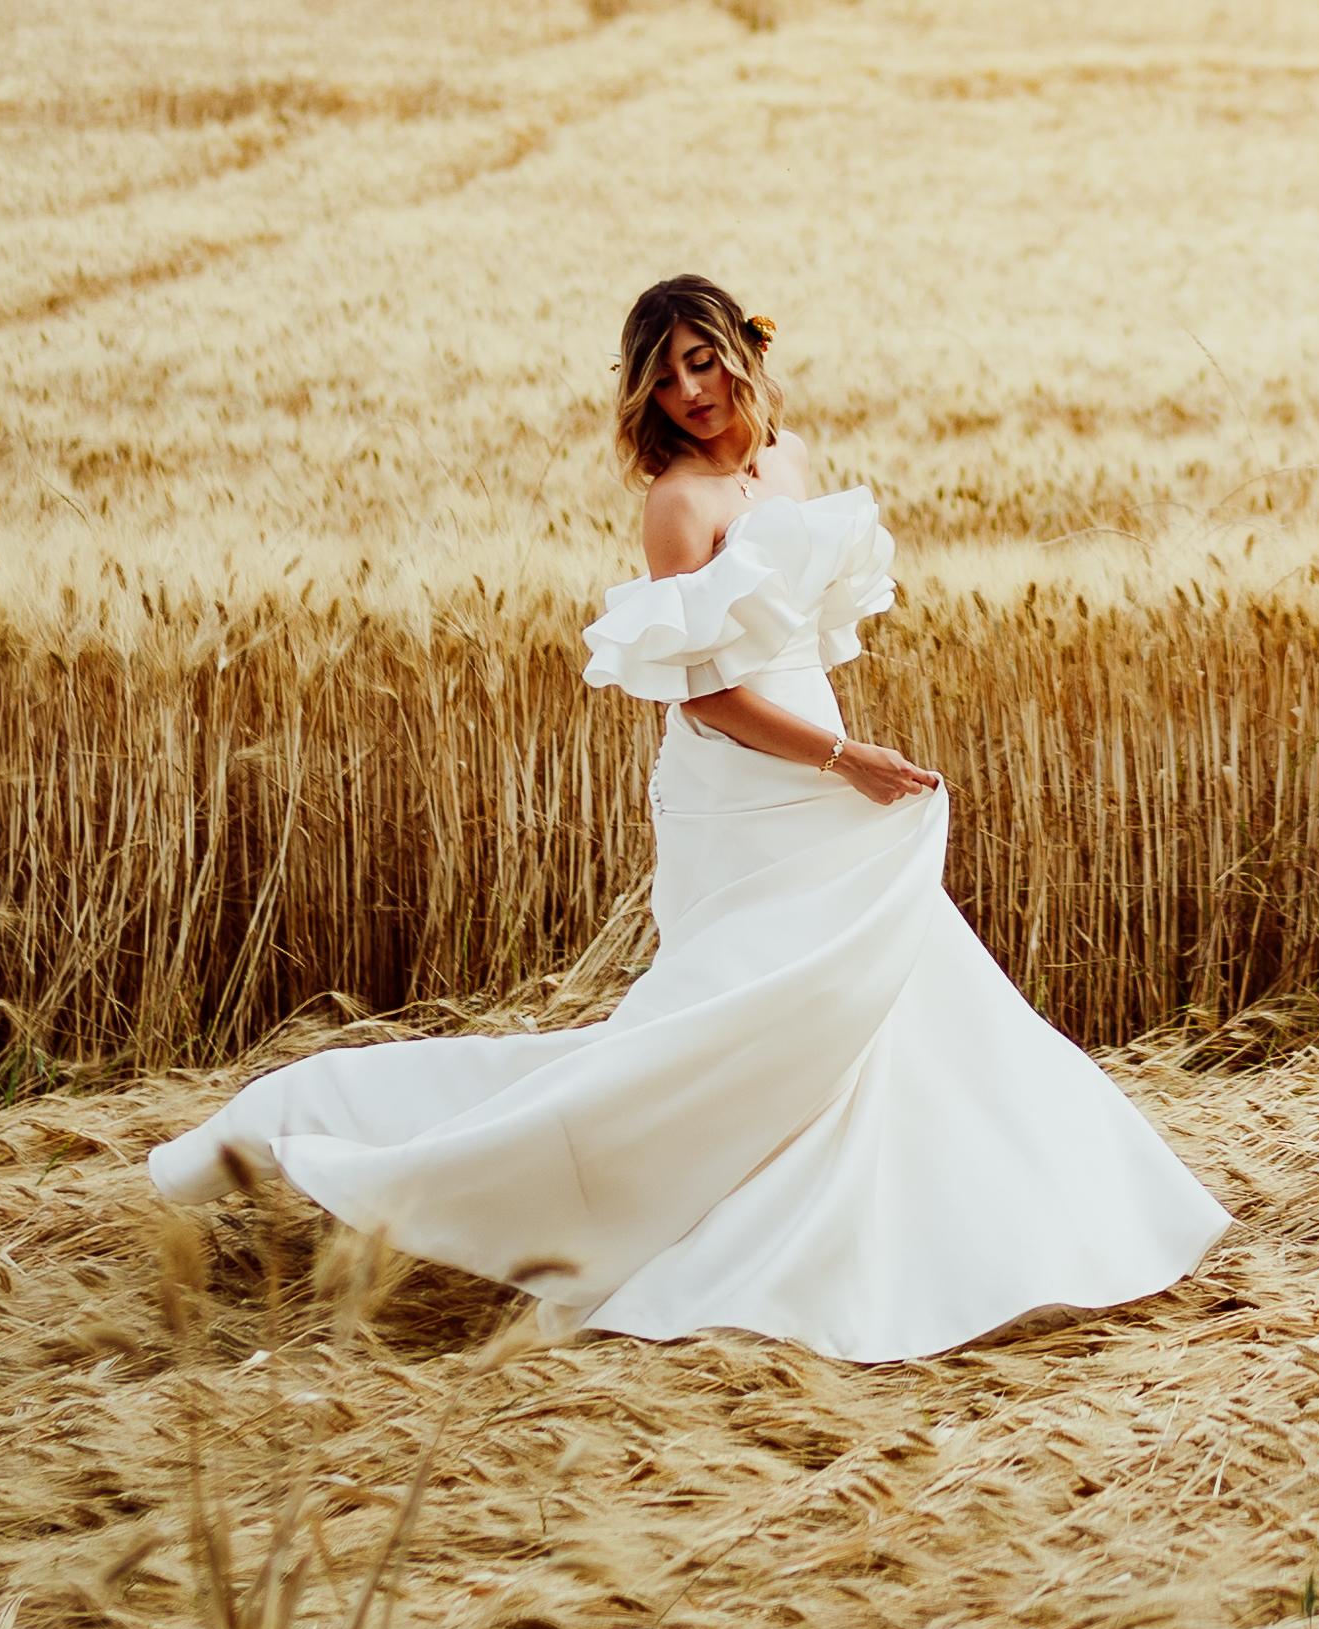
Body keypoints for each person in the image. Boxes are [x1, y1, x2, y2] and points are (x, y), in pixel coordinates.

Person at [147, 274, 1229, 1358]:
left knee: (885, 992)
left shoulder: (790, 462)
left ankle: (962, 1230)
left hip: (820, 761)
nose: (689, 392)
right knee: (741, 1017)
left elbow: (803, 633)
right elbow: (702, 693)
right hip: (742, 787)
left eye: (702, 361)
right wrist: (846, 756)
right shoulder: (677, 504)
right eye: (663, 377)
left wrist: (843, 753)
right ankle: (378, 1143)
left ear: (741, 351)